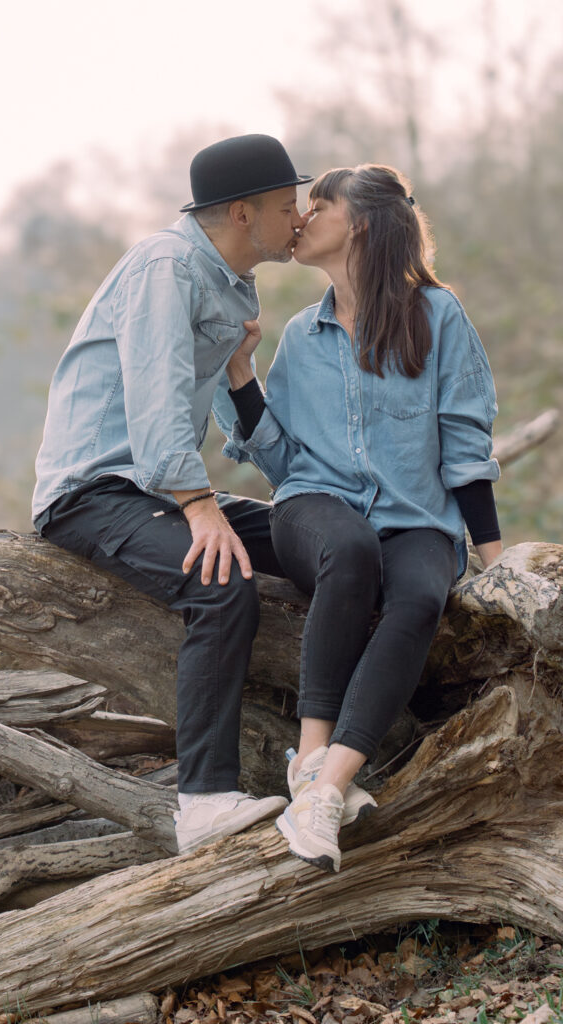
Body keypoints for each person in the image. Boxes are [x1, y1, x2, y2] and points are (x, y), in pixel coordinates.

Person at [32, 134, 313, 854]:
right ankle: (204, 803)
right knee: (221, 586)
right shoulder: (166, 267)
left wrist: (241, 373)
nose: (301, 218)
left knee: (310, 541)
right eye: (288, 206)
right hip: (93, 490)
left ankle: (325, 764)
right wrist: (200, 506)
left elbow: (222, 409)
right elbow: (156, 406)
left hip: (153, 488)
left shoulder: (226, 280)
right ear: (244, 213)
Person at [223, 164, 502, 873]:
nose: (303, 217)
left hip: (418, 519)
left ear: (362, 225)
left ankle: (325, 788)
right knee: (349, 550)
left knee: (420, 594)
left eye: (320, 205)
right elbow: (282, 460)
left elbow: (465, 445)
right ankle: (312, 755)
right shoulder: (300, 334)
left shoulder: (437, 316)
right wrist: (240, 377)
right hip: (314, 508)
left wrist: (498, 564)